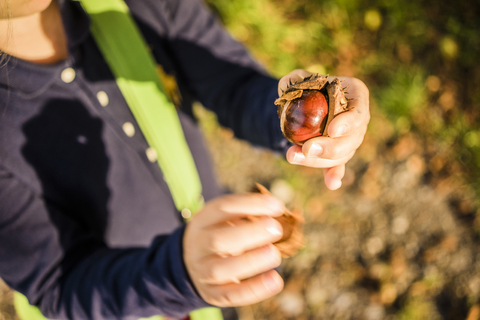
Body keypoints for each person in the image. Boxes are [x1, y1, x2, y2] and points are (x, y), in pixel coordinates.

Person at [0, 0, 370, 319]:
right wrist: (177, 273)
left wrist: (306, 120)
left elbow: (232, 85)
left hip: (215, 273)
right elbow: (57, 281)